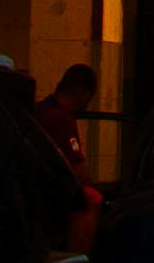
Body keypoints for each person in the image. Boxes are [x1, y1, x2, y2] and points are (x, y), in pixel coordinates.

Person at [32, 64, 102, 251]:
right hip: (52, 194)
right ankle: (80, 257)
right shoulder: (61, 119)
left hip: (36, 188)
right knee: (91, 198)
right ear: (84, 95)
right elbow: (78, 170)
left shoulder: (39, 110)